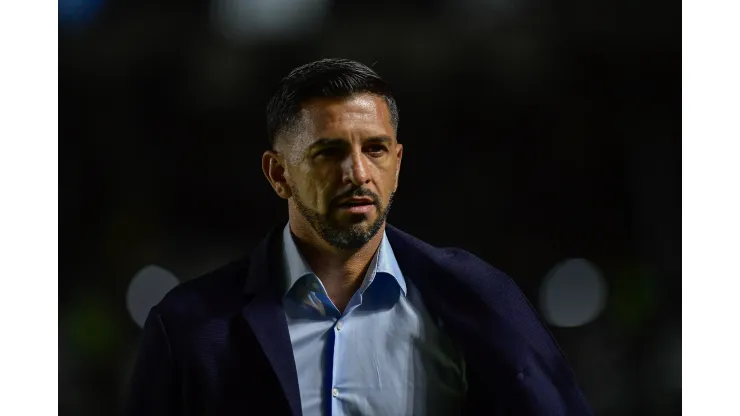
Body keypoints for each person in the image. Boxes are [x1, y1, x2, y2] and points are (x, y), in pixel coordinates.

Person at [124, 58, 592, 416]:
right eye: (329, 152)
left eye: (376, 149)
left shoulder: (479, 298)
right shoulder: (190, 329)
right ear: (278, 173)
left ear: (398, 164)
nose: (358, 172)